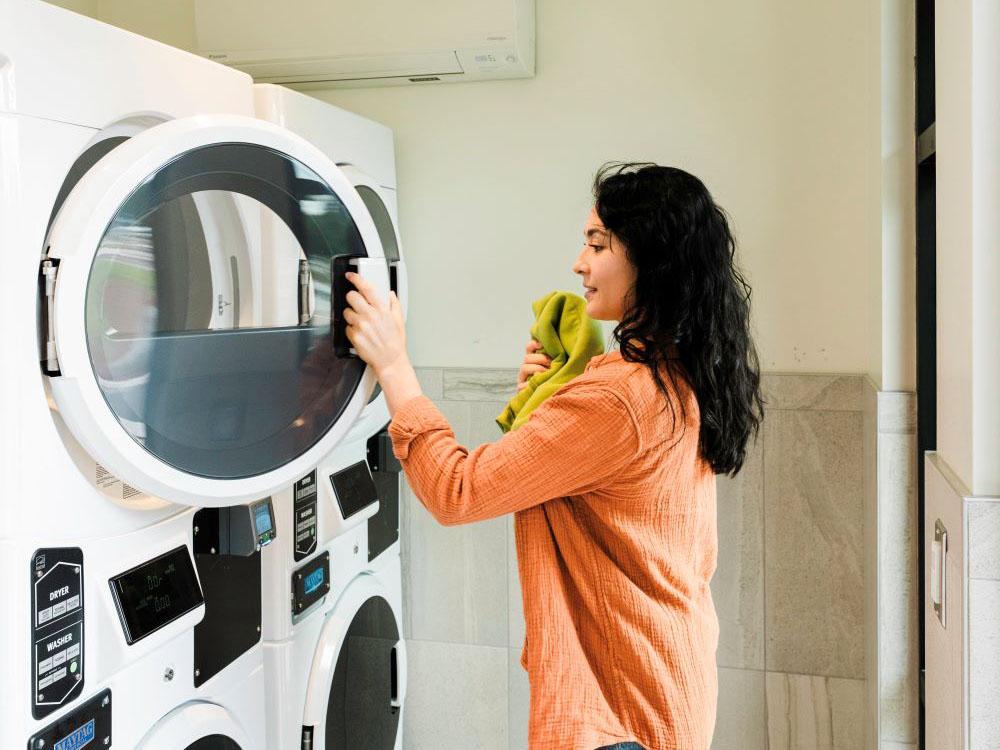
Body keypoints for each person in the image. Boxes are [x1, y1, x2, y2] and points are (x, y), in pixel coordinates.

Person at [343, 163, 764, 750]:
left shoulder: (618, 398)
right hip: (665, 689)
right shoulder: (673, 372)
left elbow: (457, 491)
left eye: (597, 244)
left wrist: (394, 367)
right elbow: (582, 483)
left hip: (621, 719)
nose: (579, 264)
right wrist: (537, 401)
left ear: (651, 260)